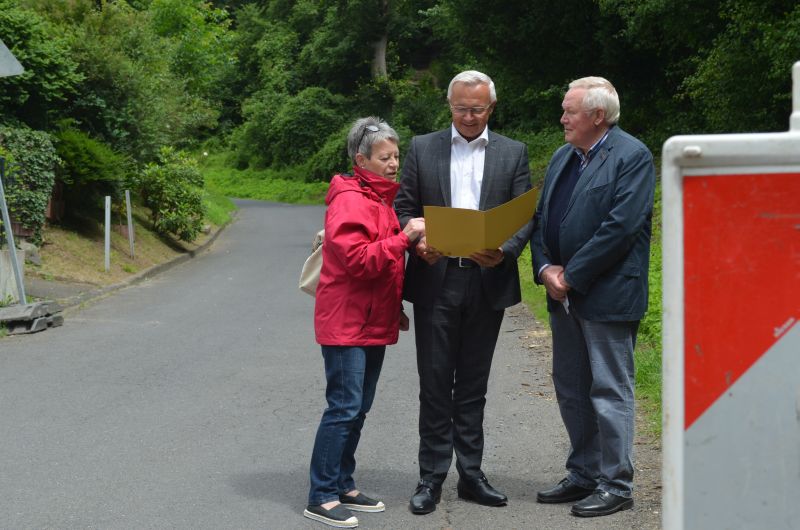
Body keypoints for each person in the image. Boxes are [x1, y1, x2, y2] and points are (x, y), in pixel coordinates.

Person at [394, 70, 533, 515]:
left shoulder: (513, 152)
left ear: (491, 108)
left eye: (476, 109)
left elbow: (525, 214)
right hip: (436, 277)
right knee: (435, 383)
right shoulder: (422, 147)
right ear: (449, 105)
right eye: (460, 108)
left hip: (485, 278)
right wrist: (417, 241)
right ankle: (431, 477)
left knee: (473, 384)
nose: (468, 117)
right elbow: (403, 207)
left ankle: (471, 474)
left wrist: (506, 249)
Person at [530, 76, 655, 517]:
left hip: (607, 295)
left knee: (609, 389)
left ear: (597, 117)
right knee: (571, 388)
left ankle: (616, 483)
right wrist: (545, 269)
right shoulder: (565, 155)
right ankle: (583, 473)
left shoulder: (632, 156)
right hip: (563, 295)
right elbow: (542, 216)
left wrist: (572, 275)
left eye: (570, 111)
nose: (562, 118)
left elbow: (620, 227)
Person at [304, 117, 426, 528]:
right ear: (362, 160)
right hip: (346, 323)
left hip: (370, 320)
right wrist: (404, 238)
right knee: (343, 407)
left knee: (359, 408)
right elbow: (358, 261)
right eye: (385, 157)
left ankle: (343, 483)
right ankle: (320, 495)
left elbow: (381, 267)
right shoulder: (351, 200)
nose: (395, 164)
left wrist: (395, 309)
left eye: (396, 156)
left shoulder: (378, 198)